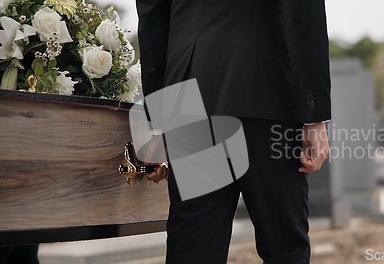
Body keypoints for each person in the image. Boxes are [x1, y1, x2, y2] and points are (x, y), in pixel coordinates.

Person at [136, 0, 331, 263]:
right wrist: (314, 117)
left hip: (191, 88)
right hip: (268, 86)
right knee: (284, 247)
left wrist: (157, 124)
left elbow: (153, 19)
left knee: (195, 246)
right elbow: (304, 12)